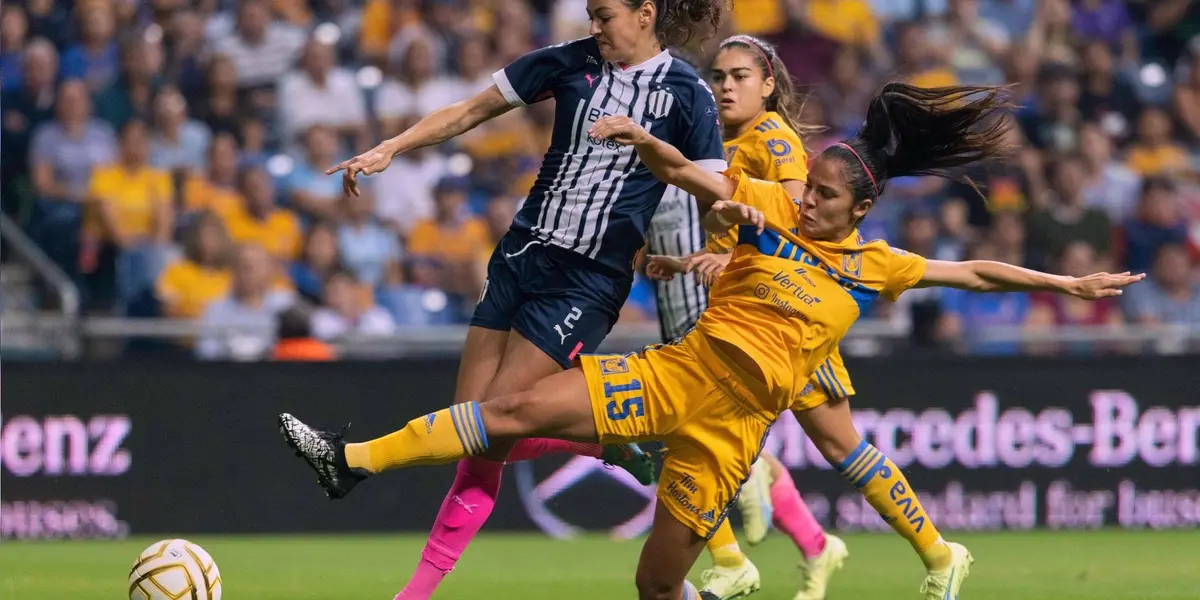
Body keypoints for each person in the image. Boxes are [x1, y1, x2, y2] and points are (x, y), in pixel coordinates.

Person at [282, 82, 1144, 600]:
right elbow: (694, 175)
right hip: (673, 375)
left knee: (656, 583)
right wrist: (643, 140)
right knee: (505, 410)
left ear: (860, 211)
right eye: (808, 192)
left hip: (732, 436)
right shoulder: (775, 206)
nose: (807, 203)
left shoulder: (876, 265)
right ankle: (350, 462)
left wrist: (1068, 284)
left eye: (826, 200)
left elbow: (979, 275)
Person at [323, 1, 725, 598]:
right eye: (590, 13)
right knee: (472, 436)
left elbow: (718, 188)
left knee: (488, 428)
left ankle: (387, 536)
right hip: (519, 254)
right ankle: (604, 442)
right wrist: (392, 147)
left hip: (586, 279)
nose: (595, 26)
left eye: (606, 14)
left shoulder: (687, 92)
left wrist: (650, 150)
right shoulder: (571, 63)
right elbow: (470, 109)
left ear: (645, 13)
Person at [642, 36, 848, 600]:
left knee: (830, 448)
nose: (722, 87)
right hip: (702, 301)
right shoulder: (703, 142)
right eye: (716, 78)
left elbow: (791, 218)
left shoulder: (770, 139)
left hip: (758, 308)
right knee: (710, 439)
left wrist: (727, 256)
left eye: (735, 77)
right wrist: (682, 260)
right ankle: (812, 543)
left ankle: (734, 559)